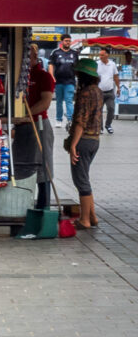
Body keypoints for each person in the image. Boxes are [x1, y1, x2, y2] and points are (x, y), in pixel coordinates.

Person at [11, 44, 55, 209]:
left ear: (35, 57)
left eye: (27, 57)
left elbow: (45, 102)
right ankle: (21, 202)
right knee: (20, 165)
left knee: (44, 168)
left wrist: (26, 116)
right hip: (22, 127)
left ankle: (44, 206)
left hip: (39, 125)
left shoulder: (43, 76)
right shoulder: (19, 77)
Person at [68, 58, 103, 229]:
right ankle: (92, 216)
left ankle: (85, 220)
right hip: (95, 139)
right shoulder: (98, 91)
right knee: (85, 178)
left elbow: (81, 121)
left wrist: (73, 144)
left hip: (83, 140)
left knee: (81, 181)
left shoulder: (85, 93)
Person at [48, 34, 78, 128]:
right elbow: (51, 65)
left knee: (69, 100)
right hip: (59, 81)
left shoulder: (74, 53)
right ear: (62, 42)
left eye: (69, 40)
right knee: (59, 101)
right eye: (66, 40)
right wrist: (52, 77)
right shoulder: (56, 53)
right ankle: (59, 119)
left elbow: (77, 67)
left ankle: (70, 119)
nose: (68, 42)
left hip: (70, 81)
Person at [96, 47, 120, 134]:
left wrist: (118, 88)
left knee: (111, 108)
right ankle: (100, 128)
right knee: (99, 110)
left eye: (102, 55)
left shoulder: (112, 64)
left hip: (110, 91)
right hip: (99, 92)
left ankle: (108, 125)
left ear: (107, 55)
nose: (100, 57)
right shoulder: (97, 64)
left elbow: (116, 77)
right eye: (100, 55)